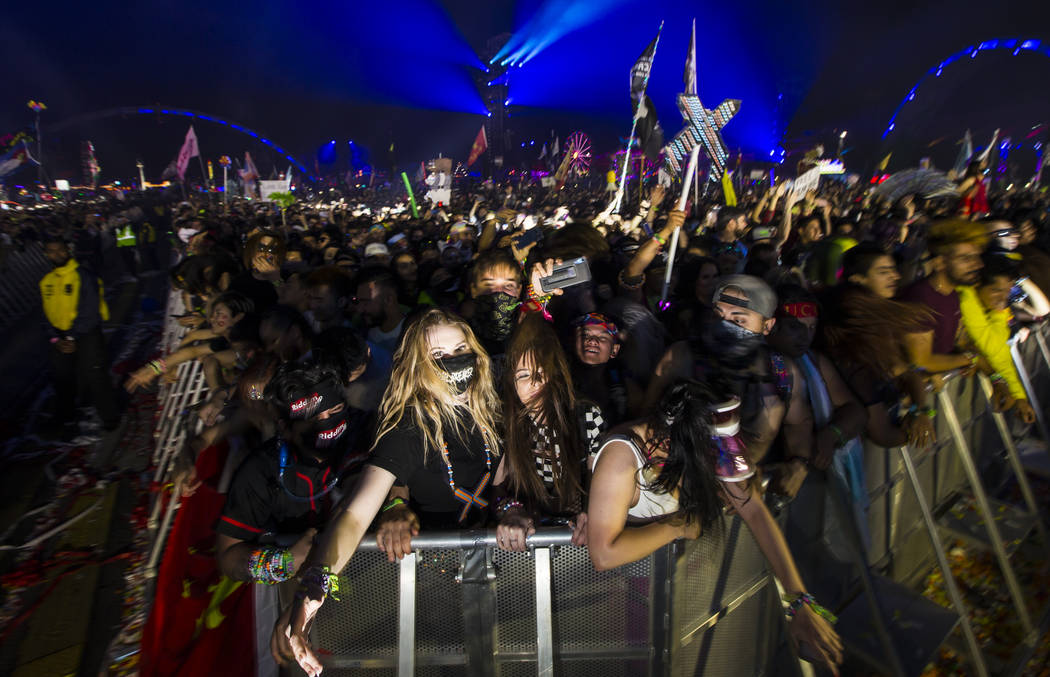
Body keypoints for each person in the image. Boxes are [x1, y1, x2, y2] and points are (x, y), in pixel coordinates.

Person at [272, 308, 502, 675]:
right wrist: (309, 595)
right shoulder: (407, 428)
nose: (455, 361)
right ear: (417, 367)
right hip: (439, 571)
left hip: (502, 561)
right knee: (455, 658)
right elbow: (355, 515)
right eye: (438, 357)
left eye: (461, 348)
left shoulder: (496, 406)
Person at [586, 381, 843, 673]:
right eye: (707, 459)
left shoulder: (701, 438)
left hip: (692, 592)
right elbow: (603, 554)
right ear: (671, 445)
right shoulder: (622, 457)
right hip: (635, 603)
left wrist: (800, 602)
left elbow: (754, 510)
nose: (712, 466)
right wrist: (678, 526)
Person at [214, 362, 369, 583]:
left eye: (335, 411)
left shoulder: (368, 432)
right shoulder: (262, 469)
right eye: (314, 418)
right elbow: (228, 557)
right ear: (285, 428)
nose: (328, 423)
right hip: (304, 591)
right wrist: (281, 563)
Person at [492, 315, 605, 551]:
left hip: (577, 542)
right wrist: (512, 510)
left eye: (542, 372)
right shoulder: (504, 423)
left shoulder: (586, 415)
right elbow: (496, 487)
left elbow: (596, 475)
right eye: (523, 375)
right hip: (527, 541)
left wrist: (590, 511)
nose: (534, 382)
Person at [40, 235, 120, 437]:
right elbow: (45, 314)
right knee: (62, 380)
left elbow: (90, 310)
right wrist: (56, 339)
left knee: (96, 375)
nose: (56, 254)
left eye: (60, 250)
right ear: (45, 254)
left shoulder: (83, 276)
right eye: (51, 251)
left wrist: (72, 337)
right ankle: (66, 417)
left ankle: (110, 418)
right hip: (60, 339)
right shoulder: (46, 282)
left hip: (86, 334)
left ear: (68, 250)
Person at [899, 219, 988, 375]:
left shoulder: (952, 294)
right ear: (939, 263)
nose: (978, 265)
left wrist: (995, 377)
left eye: (977, 257)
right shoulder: (920, 299)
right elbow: (920, 362)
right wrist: (971, 359)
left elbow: (957, 343)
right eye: (966, 259)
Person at [957, 255, 1036, 423]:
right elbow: (992, 347)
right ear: (977, 284)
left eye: (1007, 292)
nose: (1003, 298)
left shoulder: (994, 307)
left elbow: (1000, 352)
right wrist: (1017, 395)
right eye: (996, 290)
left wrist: (1019, 397)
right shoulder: (966, 297)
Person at [355, 266, 406, 354]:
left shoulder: (414, 334)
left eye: (366, 302)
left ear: (389, 299)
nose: (359, 309)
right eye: (358, 302)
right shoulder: (364, 334)